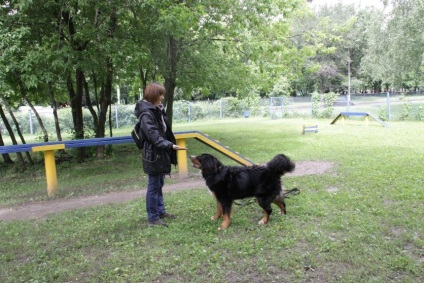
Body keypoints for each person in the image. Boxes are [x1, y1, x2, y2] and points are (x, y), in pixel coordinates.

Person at [134, 82, 186, 227]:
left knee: (159, 183)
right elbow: (153, 136)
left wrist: (168, 145)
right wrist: (170, 145)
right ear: (152, 95)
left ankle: (160, 211)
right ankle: (153, 218)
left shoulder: (157, 110)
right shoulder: (146, 114)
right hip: (153, 155)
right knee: (153, 186)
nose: (162, 97)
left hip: (160, 153)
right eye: (160, 94)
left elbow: (164, 131)